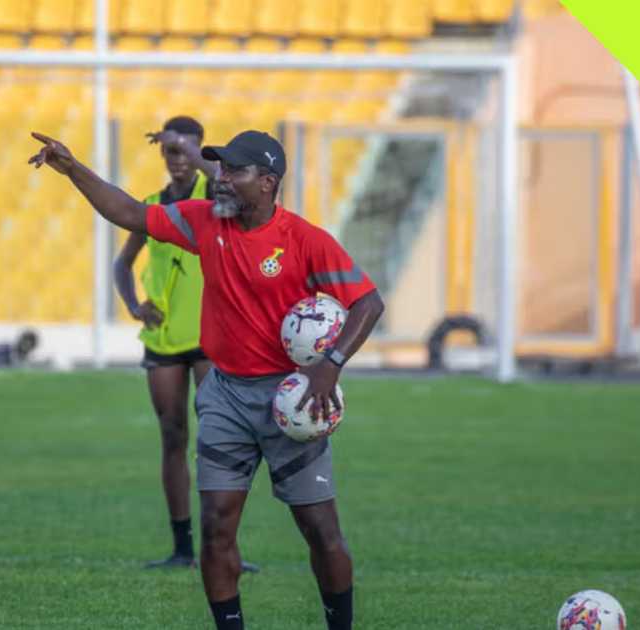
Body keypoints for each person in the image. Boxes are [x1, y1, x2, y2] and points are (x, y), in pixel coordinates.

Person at [29, 129, 384, 630]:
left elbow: (368, 303)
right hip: (224, 396)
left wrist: (331, 363)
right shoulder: (204, 223)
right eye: (218, 167)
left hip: (294, 398)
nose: (220, 177)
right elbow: (129, 212)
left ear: (266, 183)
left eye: (233, 170)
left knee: (321, 530)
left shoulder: (306, 241)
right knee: (217, 529)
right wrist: (73, 170)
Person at [115, 115, 247, 570]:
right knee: (172, 438)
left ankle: (225, 545)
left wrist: (193, 150)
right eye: (170, 151)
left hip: (211, 339)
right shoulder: (153, 204)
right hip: (164, 339)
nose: (177, 160)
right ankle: (183, 547)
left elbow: (219, 176)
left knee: (219, 440)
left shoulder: (213, 196)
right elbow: (122, 264)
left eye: (185, 151)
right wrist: (133, 303)